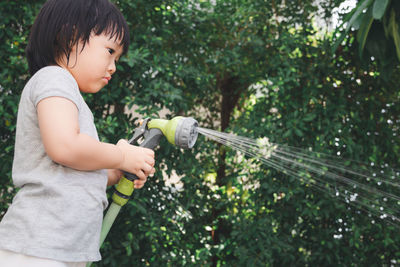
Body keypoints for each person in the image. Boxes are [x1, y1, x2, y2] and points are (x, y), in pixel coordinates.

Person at [0, 0, 155, 266]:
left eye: (117, 58)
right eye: (109, 51)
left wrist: (117, 171)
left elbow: (74, 171)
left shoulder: (71, 98)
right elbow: (65, 147)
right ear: (70, 35)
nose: (113, 67)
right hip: (36, 247)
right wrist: (120, 155)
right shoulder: (53, 78)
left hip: (59, 251)